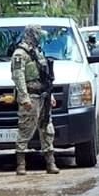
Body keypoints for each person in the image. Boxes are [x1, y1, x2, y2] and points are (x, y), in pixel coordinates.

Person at [11, 24, 59, 176]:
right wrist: (24, 98)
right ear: (32, 34)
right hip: (30, 96)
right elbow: (18, 77)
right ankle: (21, 164)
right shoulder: (20, 54)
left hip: (43, 95)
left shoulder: (38, 52)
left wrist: (50, 95)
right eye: (38, 34)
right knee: (26, 128)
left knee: (47, 128)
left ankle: (50, 162)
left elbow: (44, 77)